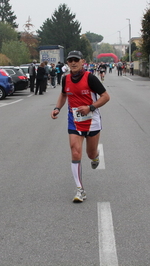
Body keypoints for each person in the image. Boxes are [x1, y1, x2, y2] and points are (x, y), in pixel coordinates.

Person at [50, 50, 110, 203]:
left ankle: (95, 156)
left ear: (83, 61)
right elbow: (64, 94)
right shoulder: (65, 79)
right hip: (74, 121)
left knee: (90, 154)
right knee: (75, 152)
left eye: (76, 60)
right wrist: (57, 108)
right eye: (70, 60)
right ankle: (79, 190)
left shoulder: (90, 78)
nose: (73, 63)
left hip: (92, 121)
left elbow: (105, 97)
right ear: (67, 63)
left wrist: (90, 107)